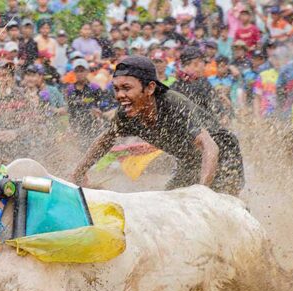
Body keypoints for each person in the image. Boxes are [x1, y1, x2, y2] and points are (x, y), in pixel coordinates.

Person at [71, 55, 244, 195]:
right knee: (170, 203)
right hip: (190, 161)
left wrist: (202, 192)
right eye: (116, 89)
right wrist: (78, 172)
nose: (120, 95)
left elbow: (210, 146)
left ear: (150, 88)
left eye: (126, 88)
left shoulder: (173, 104)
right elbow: (106, 140)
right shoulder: (126, 113)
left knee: (223, 204)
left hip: (223, 153)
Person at [171, 47, 226, 121]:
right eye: (203, 62)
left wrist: (223, 114)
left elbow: (215, 104)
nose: (204, 67)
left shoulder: (203, 81)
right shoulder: (176, 87)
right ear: (195, 63)